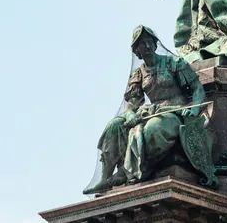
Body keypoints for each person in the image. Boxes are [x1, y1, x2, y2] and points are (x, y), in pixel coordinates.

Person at [84, 26, 206, 194]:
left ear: (155, 45)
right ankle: (105, 178)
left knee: (152, 129)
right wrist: (129, 113)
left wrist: (194, 109)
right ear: (137, 51)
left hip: (174, 113)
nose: (147, 46)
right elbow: (132, 103)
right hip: (150, 112)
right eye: (142, 44)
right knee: (114, 126)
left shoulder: (175, 64)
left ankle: (127, 171)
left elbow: (197, 89)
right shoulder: (138, 74)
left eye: (149, 42)